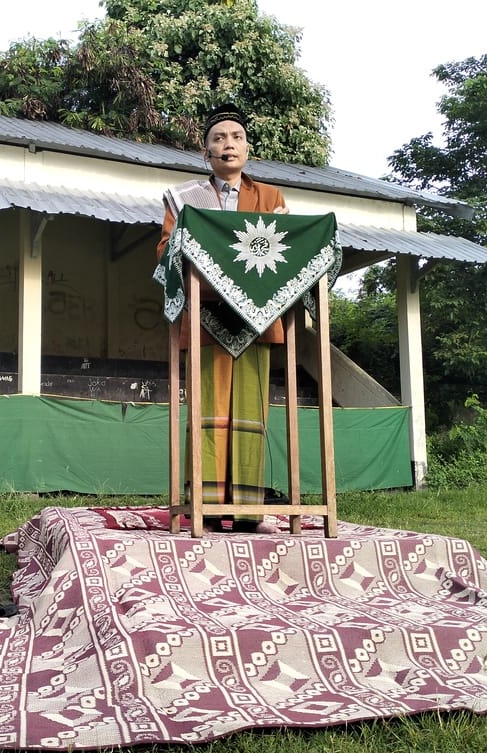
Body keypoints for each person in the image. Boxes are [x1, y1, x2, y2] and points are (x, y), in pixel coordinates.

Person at [156, 103, 288, 534]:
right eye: (218, 138)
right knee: (208, 415)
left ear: (247, 148)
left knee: (250, 416)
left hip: (255, 320)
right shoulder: (183, 199)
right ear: (205, 152)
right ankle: (206, 509)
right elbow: (165, 252)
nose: (227, 144)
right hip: (205, 316)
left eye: (235, 137)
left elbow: (285, 256)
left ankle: (249, 513)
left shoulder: (270, 198)